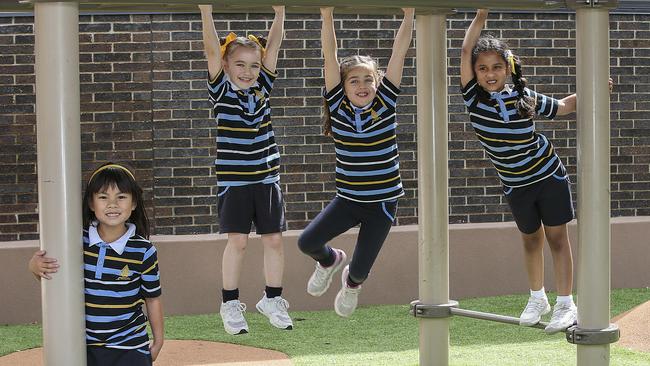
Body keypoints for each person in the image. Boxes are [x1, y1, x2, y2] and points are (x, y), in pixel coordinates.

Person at [461, 9, 613, 334]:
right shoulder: (474, 100)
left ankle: (566, 303)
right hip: (516, 185)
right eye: (483, 68)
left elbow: (562, 107)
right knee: (531, 239)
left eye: (497, 67)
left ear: (508, 68)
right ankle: (537, 297)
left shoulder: (523, 96)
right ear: (474, 73)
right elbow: (464, 50)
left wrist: (595, 90)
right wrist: (482, 12)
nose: (490, 74)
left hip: (547, 174)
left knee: (557, 238)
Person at [297, 7, 414, 318]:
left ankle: (351, 283)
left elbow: (398, 52)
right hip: (348, 200)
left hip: (383, 204)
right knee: (307, 241)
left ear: (377, 83)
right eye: (354, 81)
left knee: (360, 270)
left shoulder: (385, 103)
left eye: (368, 80)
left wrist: (409, 14)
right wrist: (325, 15)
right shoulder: (337, 106)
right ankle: (329, 260)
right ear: (343, 87)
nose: (362, 86)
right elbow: (329, 54)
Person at [198, 4, 292, 335]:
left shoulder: (261, 88)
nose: (248, 71)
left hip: (267, 177)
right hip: (235, 180)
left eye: (253, 65)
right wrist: (206, 10)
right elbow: (210, 47)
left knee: (275, 240)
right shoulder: (220, 91)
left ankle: (272, 299)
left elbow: (275, 46)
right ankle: (229, 304)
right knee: (237, 241)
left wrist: (280, 12)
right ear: (225, 66)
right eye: (239, 64)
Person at [28, 162, 164, 365]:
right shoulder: (74, 241)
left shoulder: (143, 250)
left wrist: (158, 341)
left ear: (134, 203)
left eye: (121, 197)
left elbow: (152, 298)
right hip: (85, 347)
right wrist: (34, 266)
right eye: (103, 197)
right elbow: (51, 273)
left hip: (129, 346)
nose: (112, 204)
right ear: (91, 204)